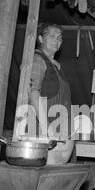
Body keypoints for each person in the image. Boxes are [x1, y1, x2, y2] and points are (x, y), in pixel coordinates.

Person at [29, 23, 74, 164]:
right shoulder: (37, 59)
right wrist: (47, 128)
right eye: (52, 36)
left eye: (59, 37)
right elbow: (33, 93)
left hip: (61, 133)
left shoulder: (54, 65)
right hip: (46, 134)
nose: (57, 40)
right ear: (41, 39)